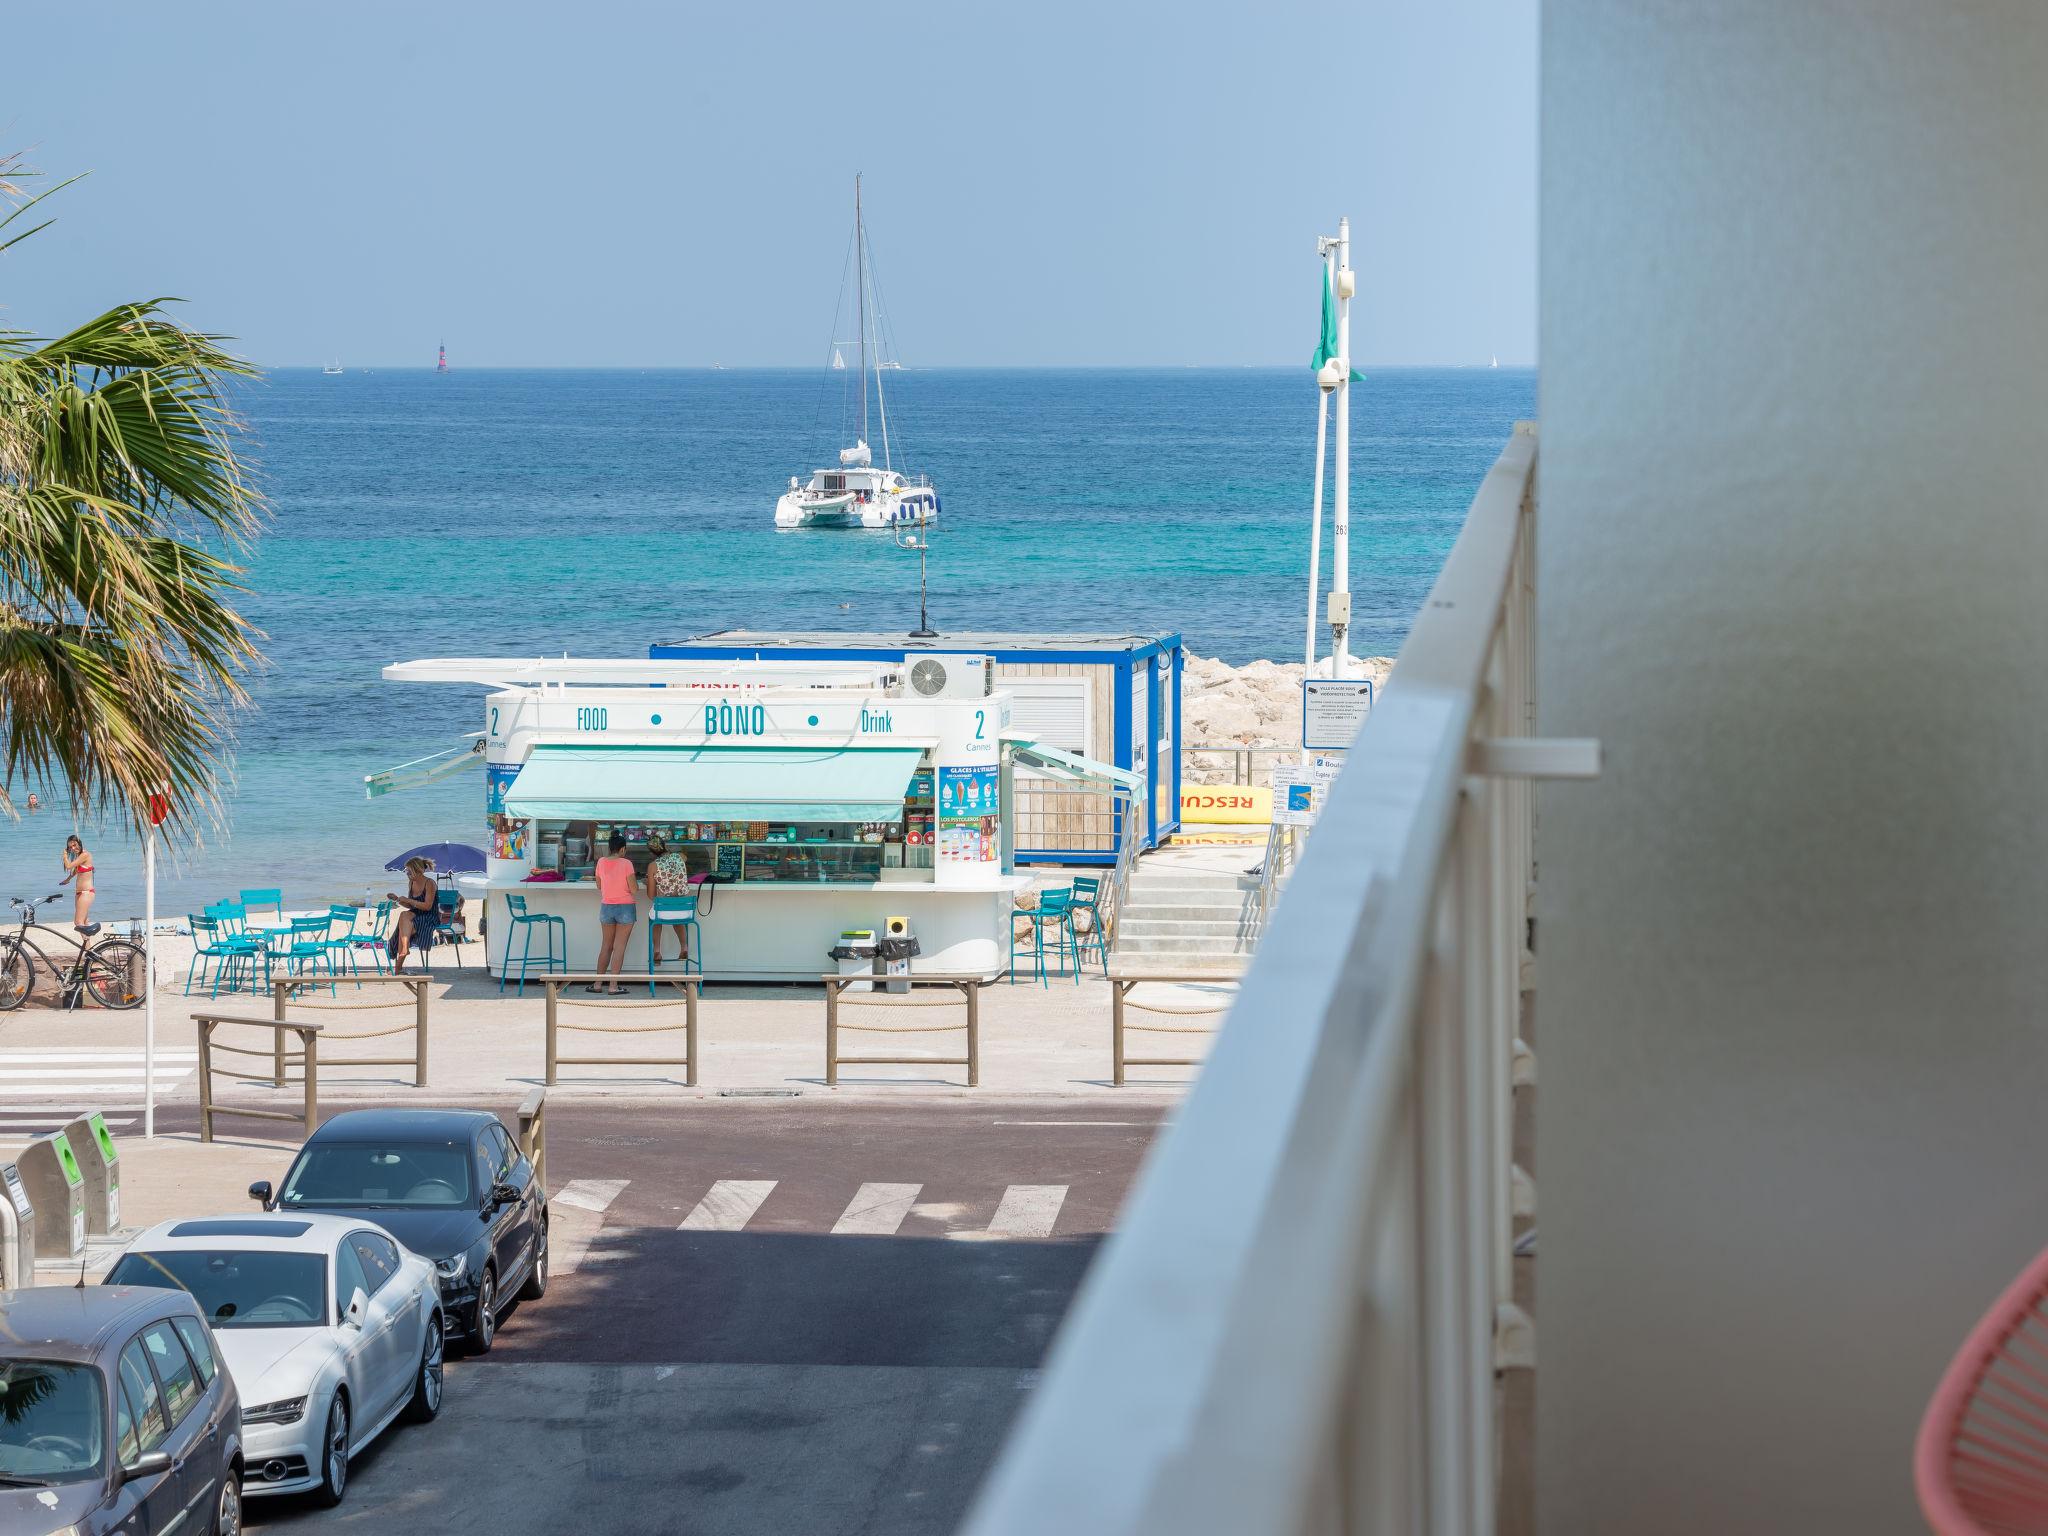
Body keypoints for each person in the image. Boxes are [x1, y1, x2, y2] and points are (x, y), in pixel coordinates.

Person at [591, 833, 637, 994]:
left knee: (606, 946)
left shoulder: (601, 862)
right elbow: (634, 889)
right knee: (619, 947)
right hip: (625, 907)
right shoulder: (627, 863)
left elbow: (599, 885)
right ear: (623, 849)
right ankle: (613, 986)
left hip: (606, 907)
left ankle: (597, 984)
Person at [643, 835, 692, 966]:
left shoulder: (653, 866)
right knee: (676, 917)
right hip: (685, 910)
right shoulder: (681, 857)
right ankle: (684, 947)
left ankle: (657, 950)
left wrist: (648, 882)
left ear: (651, 853)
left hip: (663, 910)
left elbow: (651, 895)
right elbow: (684, 857)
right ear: (665, 845)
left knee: (655, 917)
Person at [385, 857, 438, 972]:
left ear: (417, 870)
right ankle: (404, 950)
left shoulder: (430, 883)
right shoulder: (411, 883)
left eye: (409, 871)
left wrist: (409, 901)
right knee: (404, 916)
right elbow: (411, 907)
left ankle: (399, 963)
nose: (407, 873)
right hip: (415, 914)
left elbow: (428, 906)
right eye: (406, 871)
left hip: (429, 916)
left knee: (403, 926)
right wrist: (398, 899)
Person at [59, 835, 95, 931]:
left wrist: (65, 856)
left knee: (78, 922)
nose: (73, 848)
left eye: (74, 845)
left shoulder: (85, 855)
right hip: (80, 893)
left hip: (86, 892)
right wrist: (68, 879)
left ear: (80, 843)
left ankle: (86, 943)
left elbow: (69, 866)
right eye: (70, 847)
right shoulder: (79, 856)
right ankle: (87, 946)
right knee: (84, 921)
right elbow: (76, 870)